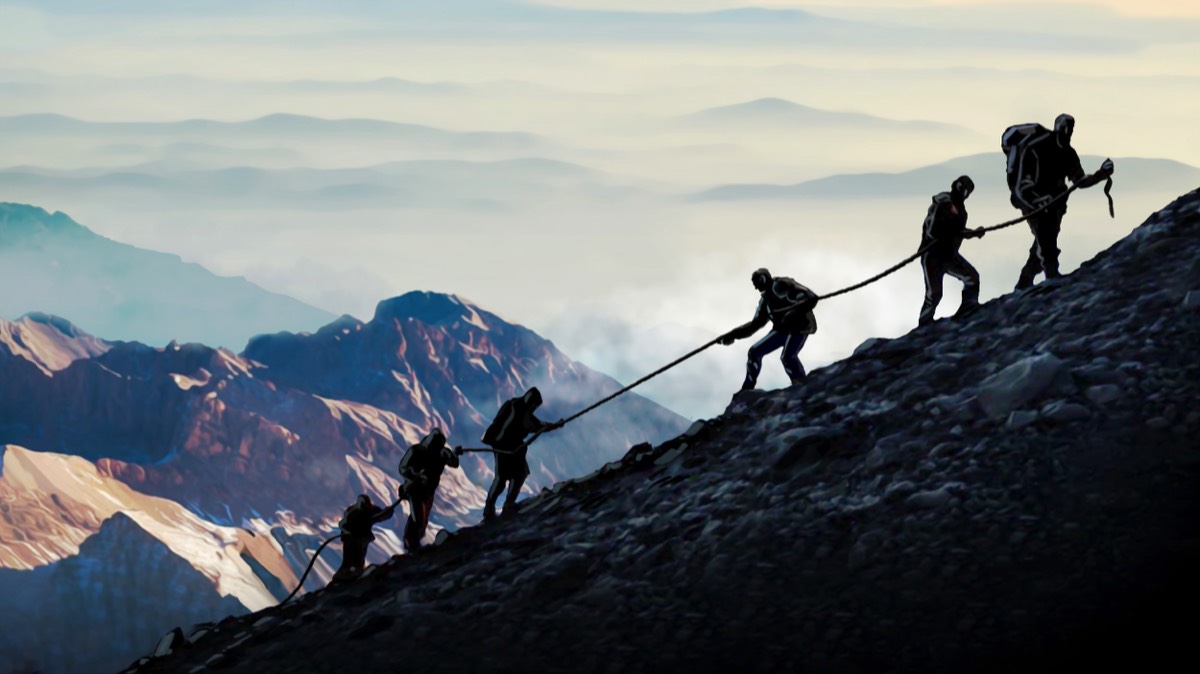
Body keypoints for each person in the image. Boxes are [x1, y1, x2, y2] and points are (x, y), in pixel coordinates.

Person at [1004, 114, 1114, 290]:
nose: (1068, 131)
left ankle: (1024, 283)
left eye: (1071, 127)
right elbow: (1022, 183)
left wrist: (1101, 174)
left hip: (1055, 206)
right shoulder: (1037, 146)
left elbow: (1079, 181)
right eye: (1066, 127)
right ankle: (1051, 275)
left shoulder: (1069, 153)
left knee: (1042, 243)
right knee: (1045, 238)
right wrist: (1035, 200)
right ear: (1058, 127)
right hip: (1034, 203)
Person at [720, 268, 818, 391]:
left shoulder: (783, 284)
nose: (756, 288)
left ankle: (801, 385)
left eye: (756, 283)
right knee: (754, 352)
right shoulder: (765, 301)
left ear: (763, 279)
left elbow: (811, 297)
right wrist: (732, 335)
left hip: (800, 326)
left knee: (788, 357)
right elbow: (754, 325)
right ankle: (747, 389)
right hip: (782, 330)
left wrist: (792, 311)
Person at [481, 387, 563, 521]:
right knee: (503, 478)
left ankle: (505, 505)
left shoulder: (519, 408)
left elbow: (538, 425)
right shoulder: (516, 409)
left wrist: (555, 425)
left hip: (512, 448)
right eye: (534, 406)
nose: (534, 409)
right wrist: (554, 425)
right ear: (531, 403)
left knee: (518, 475)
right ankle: (492, 508)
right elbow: (530, 425)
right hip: (503, 447)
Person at [918, 175, 987, 326]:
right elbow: (933, 230)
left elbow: (958, 231)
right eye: (962, 187)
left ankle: (969, 309)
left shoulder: (961, 211)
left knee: (972, 278)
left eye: (966, 190)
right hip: (932, 256)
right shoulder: (942, 202)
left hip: (948, 256)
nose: (963, 192)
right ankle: (924, 324)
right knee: (934, 294)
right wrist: (968, 233)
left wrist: (973, 233)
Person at [397, 428, 460, 553]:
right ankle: (411, 545)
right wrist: (415, 475)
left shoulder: (441, 453)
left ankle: (413, 543)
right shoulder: (416, 451)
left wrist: (454, 454)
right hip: (414, 490)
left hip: (428, 492)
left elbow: (454, 463)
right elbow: (403, 468)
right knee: (418, 518)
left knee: (422, 519)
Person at [334, 494, 394, 581]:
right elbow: (342, 524)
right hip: (352, 539)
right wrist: (349, 532)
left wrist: (389, 511)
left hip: (358, 538)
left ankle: (351, 575)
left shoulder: (368, 510)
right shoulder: (355, 511)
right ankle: (345, 576)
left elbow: (382, 515)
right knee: (351, 559)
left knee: (356, 558)